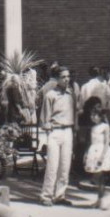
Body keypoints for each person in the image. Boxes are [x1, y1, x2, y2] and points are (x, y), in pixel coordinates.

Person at [38, 66, 77, 206]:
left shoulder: (71, 94)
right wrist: (49, 133)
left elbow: (75, 112)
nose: (66, 79)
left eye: (68, 76)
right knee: (52, 166)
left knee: (65, 166)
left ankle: (60, 195)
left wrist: (75, 128)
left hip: (68, 132)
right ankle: (46, 196)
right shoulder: (50, 95)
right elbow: (45, 117)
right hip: (55, 131)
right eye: (63, 77)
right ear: (57, 79)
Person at [82, 98, 110, 209]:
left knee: (100, 176)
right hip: (93, 151)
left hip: (102, 152)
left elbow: (107, 142)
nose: (92, 117)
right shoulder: (92, 127)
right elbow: (90, 142)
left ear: (100, 116)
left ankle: (103, 198)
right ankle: (100, 199)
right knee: (95, 176)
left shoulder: (105, 127)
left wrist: (102, 156)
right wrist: (86, 153)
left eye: (95, 115)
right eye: (91, 115)